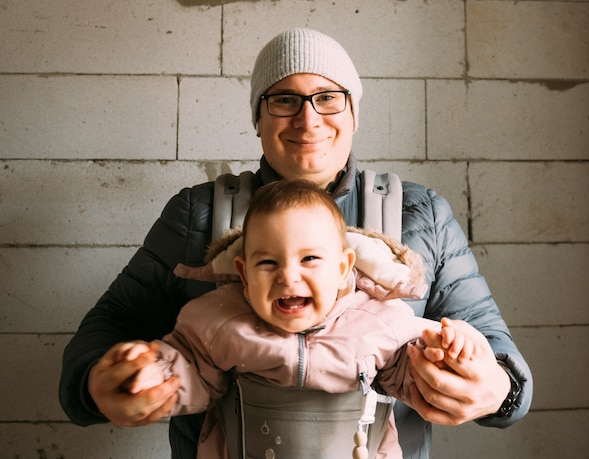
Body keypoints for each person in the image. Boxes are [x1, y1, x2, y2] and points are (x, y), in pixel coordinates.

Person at [59, 28, 533, 458]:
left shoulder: (420, 214)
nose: (308, 121)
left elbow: (498, 355)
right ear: (258, 118)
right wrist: (99, 382)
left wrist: (495, 388)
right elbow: (105, 332)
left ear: (353, 113)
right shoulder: (196, 216)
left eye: (328, 97)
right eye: (284, 100)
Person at [116, 179, 480, 458]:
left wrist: (448, 352)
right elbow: (189, 369)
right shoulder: (219, 321)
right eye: (268, 262)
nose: (288, 277)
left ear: (342, 270)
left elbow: (415, 370)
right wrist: (151, 375)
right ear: (243, 274)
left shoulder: (378, 322)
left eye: (309, 260)